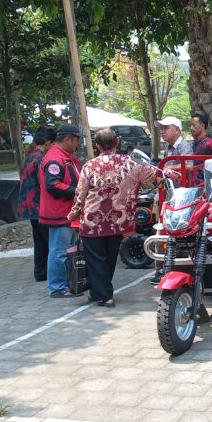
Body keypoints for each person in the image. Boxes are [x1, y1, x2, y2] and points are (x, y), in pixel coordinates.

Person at [68, 129, 160, 307]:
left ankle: (105, 296)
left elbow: (80, 194)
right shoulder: (131, 163)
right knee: (109, 258)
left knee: (96, 259)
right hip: (118, 220)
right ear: (117, 142)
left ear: (97, 145)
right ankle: (98, 292)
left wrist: (73, 213)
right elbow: (153, 175)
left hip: (93, 221)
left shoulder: (90, 165)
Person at [38, 123, 83, 297]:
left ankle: (65, 284)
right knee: (59, 251)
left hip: (67, 212)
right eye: (77, 140)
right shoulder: (55, 158)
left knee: (66, 250)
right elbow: (53, 185)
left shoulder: (64, 156)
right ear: (68, 139)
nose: (78, 144)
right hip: (59, 213)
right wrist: (78, 191)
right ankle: (57, 288)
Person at [16, 126, 55, 282]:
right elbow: (45, 184)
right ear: (47, 143)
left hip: (30, 207)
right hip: (39, 206)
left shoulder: (31, 156)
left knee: (40, 242)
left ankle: (40, 272)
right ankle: (54, 274)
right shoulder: (41, 159)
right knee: (50, 242)